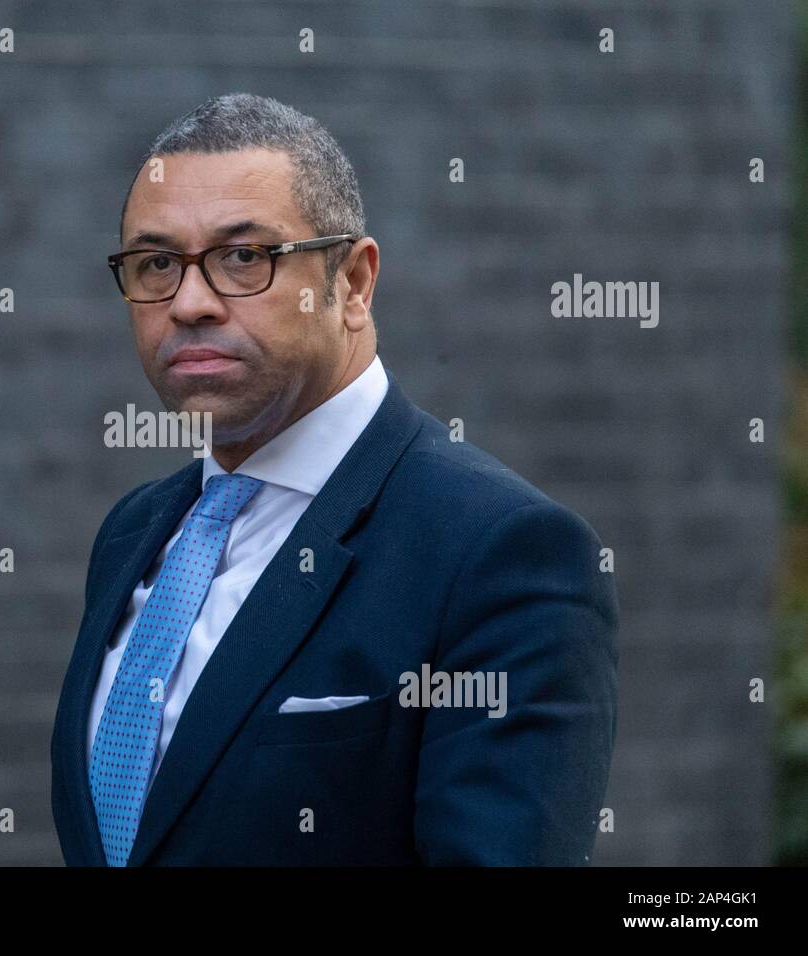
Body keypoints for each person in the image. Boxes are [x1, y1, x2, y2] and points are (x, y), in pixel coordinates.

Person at [50, 93, 618, 866]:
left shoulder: (502, 554)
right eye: (156, 264)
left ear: (352, 283)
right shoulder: (131, 535)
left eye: (243, 257)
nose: (188, 302)